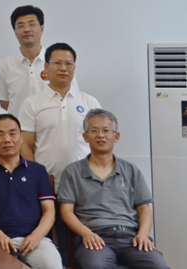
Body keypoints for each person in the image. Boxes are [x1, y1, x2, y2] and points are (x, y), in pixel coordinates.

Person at [58, 109, 169, 269]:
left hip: (131, 238)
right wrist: (86, 233)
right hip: (95, 238)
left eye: (106, 130)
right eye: (94, 131)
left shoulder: (130, 170)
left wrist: (143, 235)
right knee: (96, 266)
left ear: (116, 136)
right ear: (85, 137)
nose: (100, 135)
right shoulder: (72, 172)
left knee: (158, 266)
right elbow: (66, 211)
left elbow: (144, 208)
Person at [0, 114, 62, 269]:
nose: (7, 139)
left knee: (52, 265)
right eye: (0, 134)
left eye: (12, 133)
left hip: (36, 241)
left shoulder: (38, 171)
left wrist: (36, 236)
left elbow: (49, 211)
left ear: (21, 137)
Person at [20, 42, 100, 187]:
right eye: (57, 63)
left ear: (74, 68)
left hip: (85, 183)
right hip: (46, 183)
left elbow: (100, 142)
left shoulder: (90, 103)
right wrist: (34, 177)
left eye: (68, 64)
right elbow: (25, 144)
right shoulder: (32, 103)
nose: (63, 68)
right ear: (46, 67)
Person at [0, 6, 78, 116]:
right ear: (14, 31)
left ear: (42, 29)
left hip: (51, 125)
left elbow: (71, 96)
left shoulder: (58, 63)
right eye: (21, 25)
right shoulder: (5, 66)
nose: (27, 29)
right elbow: (5, 105)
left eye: (32, 24)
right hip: (19, 126)